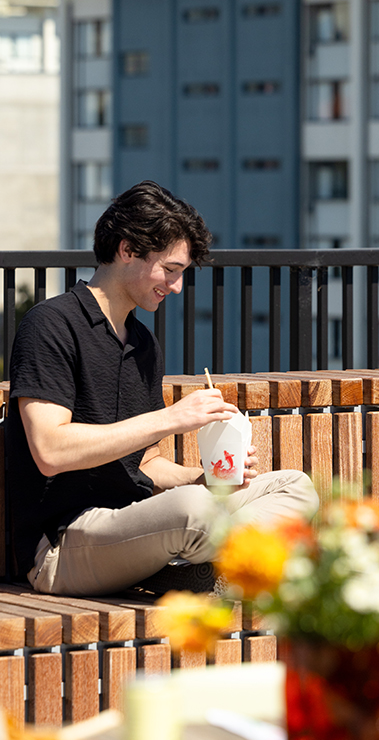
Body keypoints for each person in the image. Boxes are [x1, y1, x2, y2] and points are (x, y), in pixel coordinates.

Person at [5, 181, 319, 597]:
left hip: (141, 522)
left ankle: (186, 567)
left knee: (294, 488)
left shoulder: (143, 344)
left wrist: (207, 478)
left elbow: (146, 465)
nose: (175, 287)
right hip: (67, 543)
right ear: (127, 249)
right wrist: (171, 419)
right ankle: (204, 563)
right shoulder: (51, 325)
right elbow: (49, 451)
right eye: (170, 270)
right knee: (192, 510)